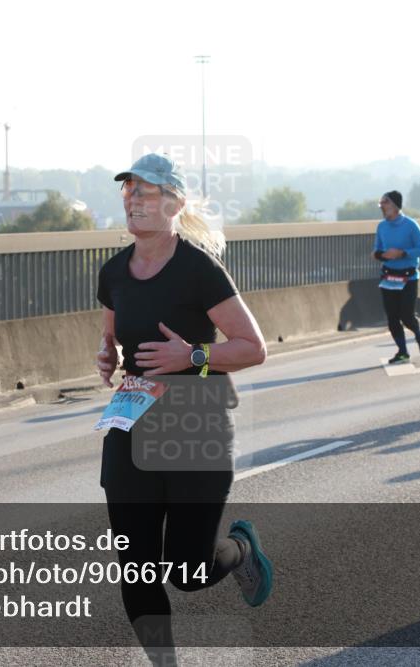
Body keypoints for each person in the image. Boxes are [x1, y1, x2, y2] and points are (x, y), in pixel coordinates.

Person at [95, 153, 271, 666]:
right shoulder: (113, 273)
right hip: (132, 427)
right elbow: (113, 338)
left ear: (173, 203)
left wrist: (190, 356)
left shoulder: (199, 270)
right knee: (136, 567)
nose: (133, 200)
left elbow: (252, 347)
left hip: (198, 428)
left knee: (188, 572)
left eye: (145, 192)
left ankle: (238, 548)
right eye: (128, 191)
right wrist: (107, 356)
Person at [373, 190, 420, 363]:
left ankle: (419, 334)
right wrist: (380, 255)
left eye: (385, 202)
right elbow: (377, 249)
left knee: (406, 316)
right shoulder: (381, 226)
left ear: (395, 206)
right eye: (381, 203)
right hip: (389, 277)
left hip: (408, 277)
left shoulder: (411, 225)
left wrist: (401, 253)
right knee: (392, 318)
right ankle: (402, 351)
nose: (382, 206)